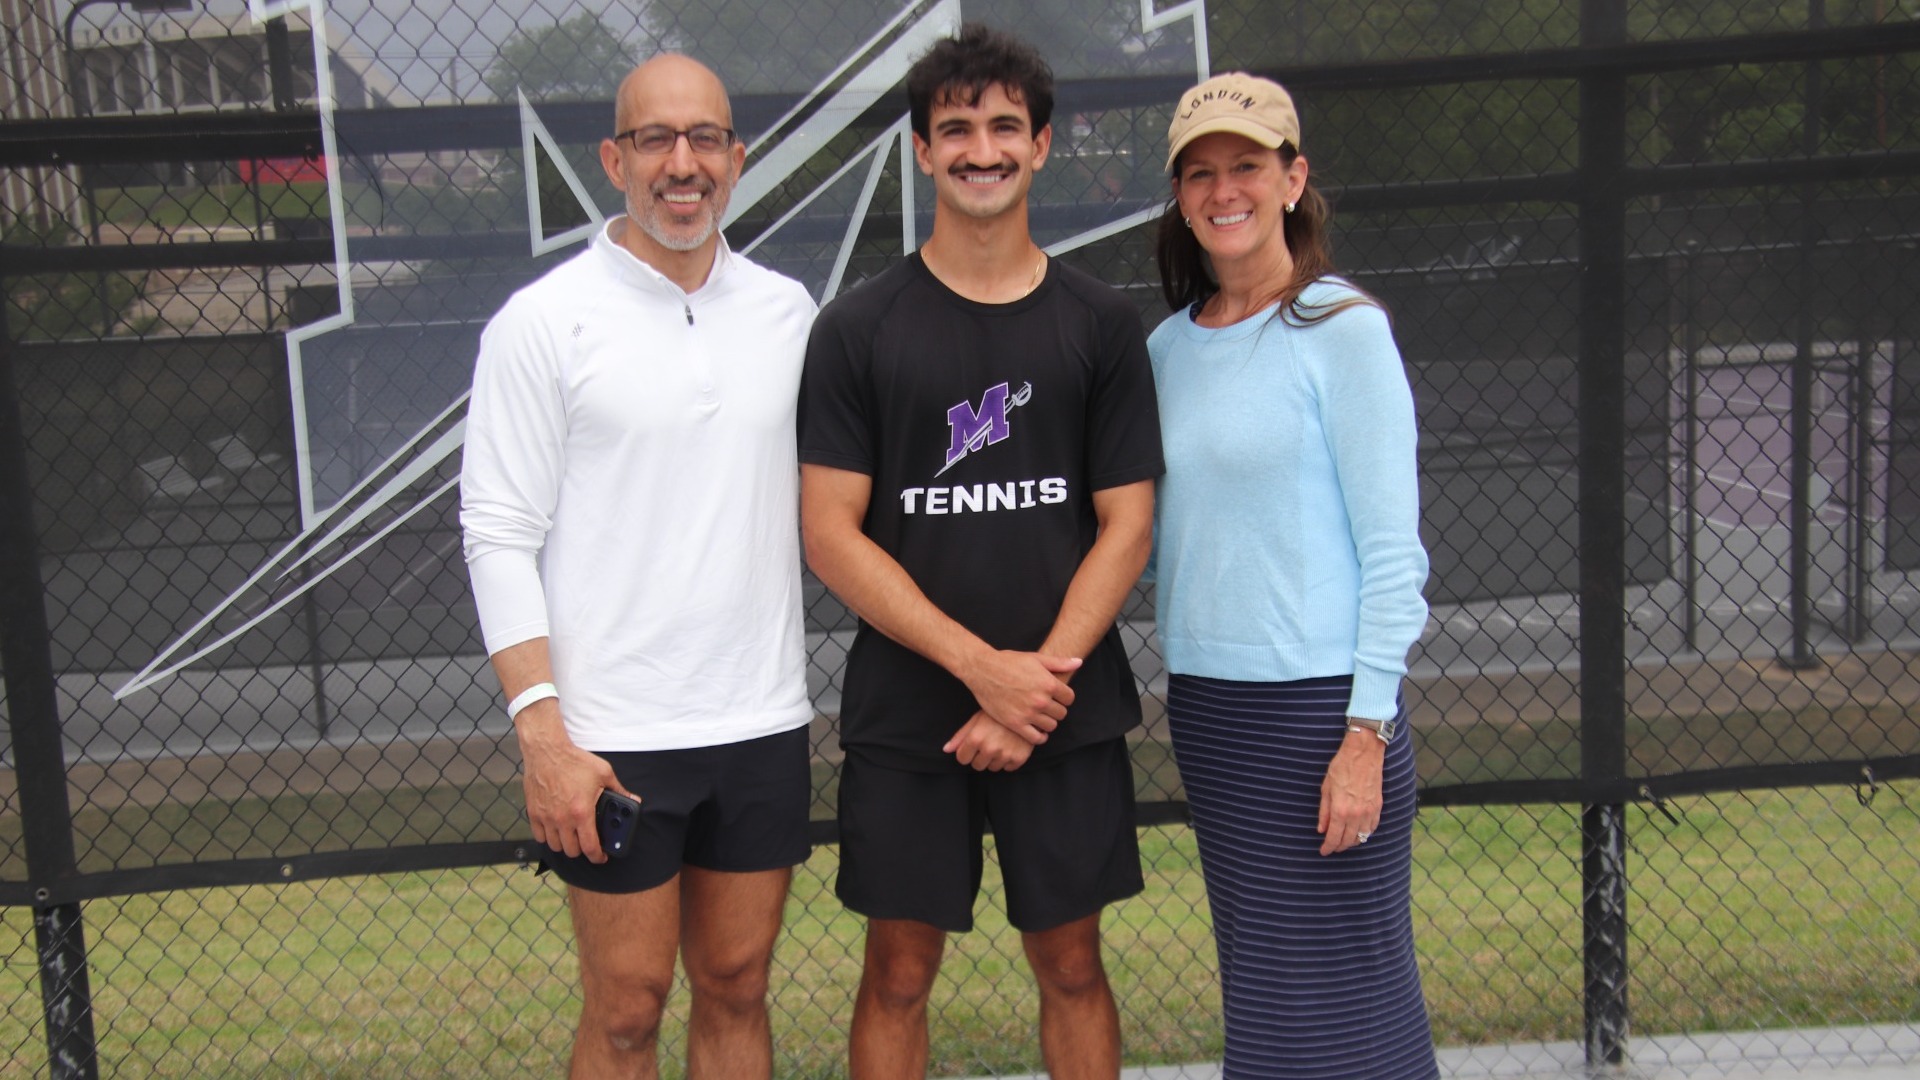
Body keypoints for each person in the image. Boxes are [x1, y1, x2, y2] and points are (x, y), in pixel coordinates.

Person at [798, 24, 1163, 1080]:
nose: (982, 148)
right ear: (921, 151)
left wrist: (1034, 685)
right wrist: (979, 671)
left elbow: (1126, 524)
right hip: (915, 714)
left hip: (1064, 704)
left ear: (1042, 144)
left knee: (1075, 966)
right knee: (897, 976)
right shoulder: (858, 330)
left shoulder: (1099, 325)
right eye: (955, 129)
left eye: (1006, 126)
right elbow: (829, 531)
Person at [459, 53, 817, 1080]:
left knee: (738, 985)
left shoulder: (789, 314)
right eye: (656, 139)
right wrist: (544, 738)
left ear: (737, 158)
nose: (682, 162)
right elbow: (497, 532)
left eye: (705, 137)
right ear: (615, 159)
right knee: (626, 1010)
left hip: (760, 721)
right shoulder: (543, 322)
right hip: (610, 740)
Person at [1148, 72, 1439, 1079]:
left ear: (1292, 178)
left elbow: (1395, 558)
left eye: (1246, 166)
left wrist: (1367, 730)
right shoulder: (1163, 353)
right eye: (1200, 173)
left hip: (1324, 719)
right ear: (1181, 198)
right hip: (1215, 717)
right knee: (1269, 1007)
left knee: (1356, 1008)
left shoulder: (1341, 328)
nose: (1223, 190)